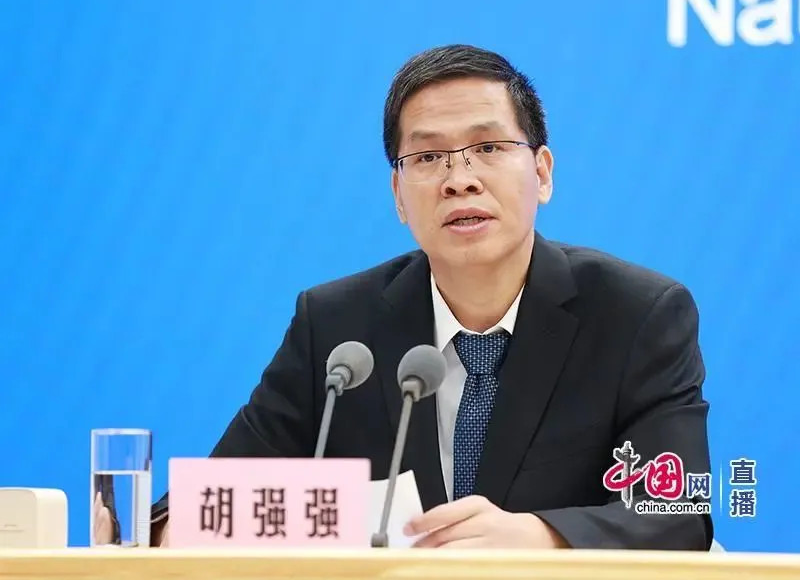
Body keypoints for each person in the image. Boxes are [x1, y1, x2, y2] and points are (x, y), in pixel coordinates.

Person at [149, 44, 713, 549]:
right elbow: (210, 500)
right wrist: (171, 530)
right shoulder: (337, 328)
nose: (459, 179)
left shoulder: (636, 314)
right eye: (427, 157)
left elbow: (678, 513)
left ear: (542, 173)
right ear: (398, 194)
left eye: (488, 147)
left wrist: (541, 536)